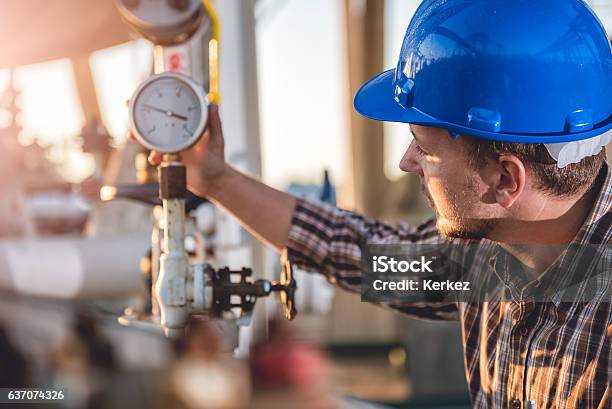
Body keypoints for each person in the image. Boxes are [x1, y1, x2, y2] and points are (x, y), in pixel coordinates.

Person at [141, 1, 611, 408]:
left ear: (506, 179)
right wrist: (215, 179)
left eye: (423, 146)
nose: (407, 163)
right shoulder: (492, 257)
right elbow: (358, 251)